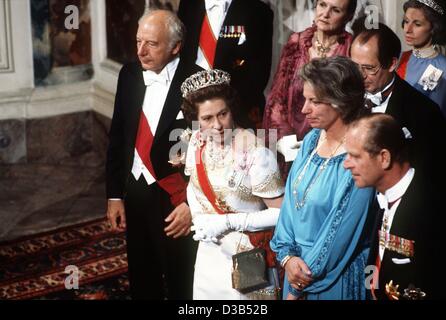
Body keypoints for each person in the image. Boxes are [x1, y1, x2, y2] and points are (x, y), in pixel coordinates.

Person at [105, 10, 200, 300]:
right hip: (135, 190)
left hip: (173, 197)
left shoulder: (197, 80)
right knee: (142, 275)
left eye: (152, 44)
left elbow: (208, 152)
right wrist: (114, 196)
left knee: (180, 276)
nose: (141, 51)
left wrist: (192, 205)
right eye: (138, 42)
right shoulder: (129, 74)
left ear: (176, 46)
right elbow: (118, 136)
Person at [270, 56, 374, 300]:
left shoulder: (359, 155)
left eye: (314, 101)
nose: (304, 109)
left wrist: (299, 284)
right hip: (296, 268)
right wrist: (287, 256)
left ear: (341, 103)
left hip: (331, 277)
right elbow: (289, 209)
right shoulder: (311, 140)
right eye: (305, 99)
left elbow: (340, 231)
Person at [180, 69, 284, 300]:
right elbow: (192, 187)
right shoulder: (196, 144)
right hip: (209, 254)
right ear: (195, 121)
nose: (217, 125)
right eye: (207, 118)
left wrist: (227, 221)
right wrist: (199, 219)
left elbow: (281, 214)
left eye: (223, 114)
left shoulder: (257, 153)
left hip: (247, 256)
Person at [344, 113, 444, 300]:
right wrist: (370, 293)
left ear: (384, 158)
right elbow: (374, 258)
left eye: (355, 156)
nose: (346, 164)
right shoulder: (378, 198)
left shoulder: (432, 210)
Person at [263, 0, 358, 180]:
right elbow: (277, 98)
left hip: (332, 142)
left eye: (335, 10)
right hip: (290, 142)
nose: (325, 13)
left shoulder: (351, 50)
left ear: (349, 16)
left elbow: (351, 106)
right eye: (322, 5)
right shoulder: (297, 42)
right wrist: (285, 140)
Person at [350, 20, 446, 186]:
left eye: (369, 68)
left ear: (392, 64)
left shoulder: (424, 111)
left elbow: (430, 176)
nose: (360, 75)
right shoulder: (345, 96)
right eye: (354, 66)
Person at [177, 0, 273, 128]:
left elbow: (259, 73)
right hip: (191, 109)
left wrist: (224, 109)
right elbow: (182, 57)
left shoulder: (258, 10)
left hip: (239, 111)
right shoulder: (189, 4)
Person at [397, 0, 446, 117]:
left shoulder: (439, 67)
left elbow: (432, 113)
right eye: (406, 21)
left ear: (433, 28)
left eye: (417, 24)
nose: (407, 29)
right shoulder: (400, 57)